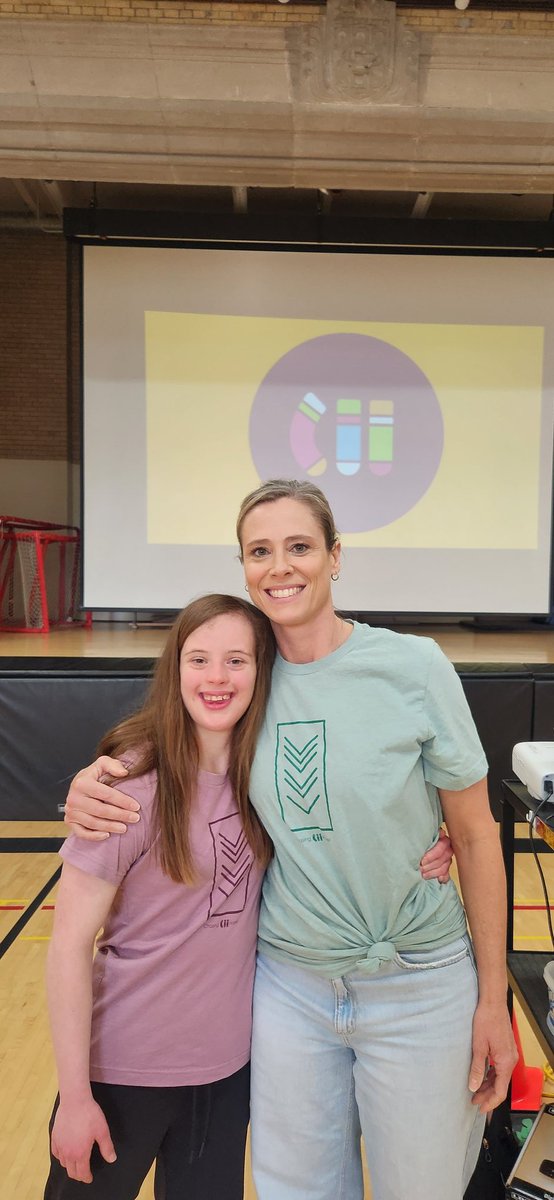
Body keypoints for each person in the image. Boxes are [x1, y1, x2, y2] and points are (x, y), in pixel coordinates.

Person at [64, 478, 516, 1200]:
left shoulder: (414, 667)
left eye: (300, 546)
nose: (281, 566)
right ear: (242, 565)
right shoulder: (248, 676)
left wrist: (493, 1001)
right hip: (289, 993)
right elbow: (175, 734)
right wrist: (94, 778)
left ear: (335, 557)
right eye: (260, 551)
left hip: (419, 984)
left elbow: (475, 833)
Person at [44, 593, 275, 1199]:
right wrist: (74, 1097)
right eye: (199, 659)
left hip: (225, 1078)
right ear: (175, 670)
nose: (217, 678)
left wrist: (434, 847)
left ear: (262, 670)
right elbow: (68, 947)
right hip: (123, 1074)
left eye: (237, 661)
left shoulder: (269, 776)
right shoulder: (129, 784)